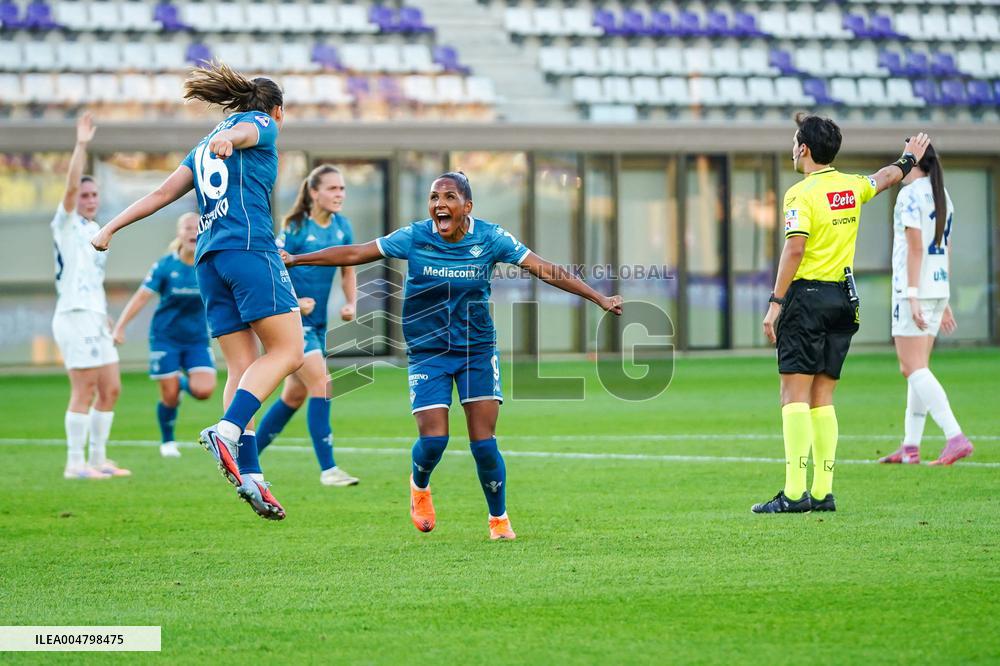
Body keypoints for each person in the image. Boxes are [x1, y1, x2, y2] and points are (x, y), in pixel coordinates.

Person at [282, 171, 623, 540]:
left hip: (477, 349)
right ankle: (420, 486)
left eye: (448, 197)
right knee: (433, 441)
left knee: (484, 441)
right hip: (429, 350)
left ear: (467, 206)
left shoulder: (491, 238)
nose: (439, 205)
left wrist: (599, 298)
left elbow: (544, 269)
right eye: (433, 198)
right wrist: (298, 259)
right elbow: (355, 252)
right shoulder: (415, 236)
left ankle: (499, 520)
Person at [91, 62, 304, 520]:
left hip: (209, 261)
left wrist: (110, 227)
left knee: (242, 365)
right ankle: (227, 430)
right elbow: (249, 129)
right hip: (248, 249)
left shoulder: (203, 145)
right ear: (279, 112)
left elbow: (161, 195)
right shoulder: (259, 123)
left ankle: (252, 475)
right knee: (290, 352)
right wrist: (236, 136)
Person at [755, 113, 930, 514]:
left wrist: (775, 303)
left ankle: (795, 493)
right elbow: (884, 177)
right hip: (842, 301)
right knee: (824, 396)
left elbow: (795, 248)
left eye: (795, 139)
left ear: (803, 148)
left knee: (793, 395)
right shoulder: (850, 187)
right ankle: (823, 492)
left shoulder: (801, 194)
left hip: (807, 300)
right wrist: (906, 160)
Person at [256, 165, 360, 486]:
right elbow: (271, 267)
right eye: (332, 189)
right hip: (290, 321)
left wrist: (351, 302)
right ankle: (328, 470)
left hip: (316, 323)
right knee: (323, 384)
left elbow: (348, 268)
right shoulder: (295, 227)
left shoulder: (342, 227)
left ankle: (245, 457)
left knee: (294, 396)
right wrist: (295, 302)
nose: (339, 194)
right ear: (314, 192)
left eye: (342, 189)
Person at [879, 144, 973, 466]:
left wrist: (913, 295)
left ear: (915, 162)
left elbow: (916, 248)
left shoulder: (909, 196)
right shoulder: (942, 194)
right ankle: (910, 447)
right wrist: (943, 298)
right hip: (937, 285)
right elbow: (944, 247)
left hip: (913, 289)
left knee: (911, 367)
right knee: (920, 367)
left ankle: (955, 436)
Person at [52, 112, 128, 480]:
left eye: (95, 194)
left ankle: (98, 459)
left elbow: (93, 277)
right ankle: (74, 464)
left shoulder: (98, 230)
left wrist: (104, 314)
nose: (89, 199)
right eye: (84, 194)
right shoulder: (65, 223)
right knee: (84, 388)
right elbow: (68, 191)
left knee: (111, 387)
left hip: (93, 314)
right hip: (74, 313)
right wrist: (81, 144)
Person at [112, 213, 217, 458]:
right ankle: (167, 442)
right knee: (169, 398)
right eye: (187, 227)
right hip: (165, 338)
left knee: (204, 391)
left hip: (196, 339)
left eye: (197, 227)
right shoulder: (165, 266)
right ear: (179, 234)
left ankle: (180, 382)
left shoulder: (209, 266)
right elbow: (141, 297)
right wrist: (120, 326)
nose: (193, 232)